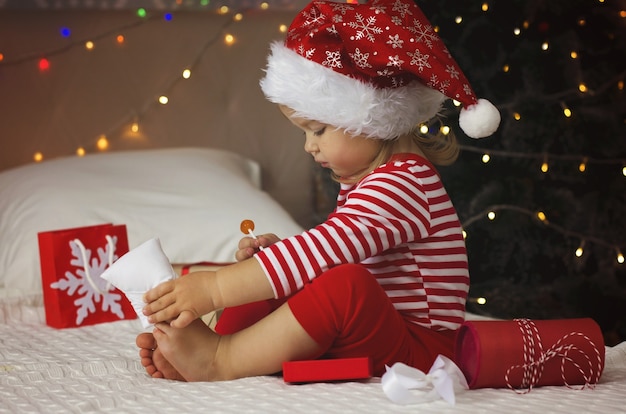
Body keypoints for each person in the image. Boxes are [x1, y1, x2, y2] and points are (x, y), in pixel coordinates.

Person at [136, 0, 500, 382]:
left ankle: (221, 359)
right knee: (284, 270)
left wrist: (213, 287)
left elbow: (325, 251)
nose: (309, 146)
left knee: (343, 286)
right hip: (378, 336)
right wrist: (276, 260)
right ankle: (216, 347)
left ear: (373, 117)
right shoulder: (370, 181)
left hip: (420, 352)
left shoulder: (405, 183)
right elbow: (325, 255)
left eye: (319, 130)